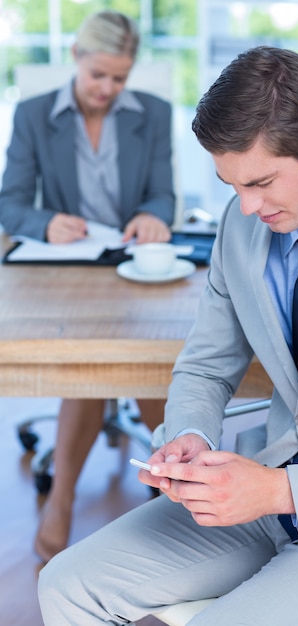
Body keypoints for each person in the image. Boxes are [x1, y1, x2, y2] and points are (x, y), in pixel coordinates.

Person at [37, 46, 298, 626]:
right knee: (66, 583)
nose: (245, 208)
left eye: (261, 182)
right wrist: (190, 432)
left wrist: (277, 493)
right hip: (258, 495)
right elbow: (207, 366)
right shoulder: (242, 230)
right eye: (230, 185)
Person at [0, 10, 175, 563]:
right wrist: (42, 222)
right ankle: (82, 495)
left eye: (120, 77)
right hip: (68, 271)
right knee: (95, 359)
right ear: (76, 55)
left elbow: (164, 194)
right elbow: (9, 202)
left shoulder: (153, 113)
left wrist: (151, 215)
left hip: (134, 266)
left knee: (147, 354)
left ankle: (168, 489)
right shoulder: (33, 115)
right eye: (99, 73)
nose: (108, 88)